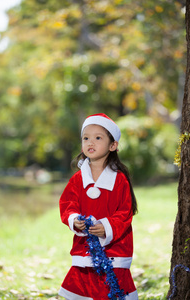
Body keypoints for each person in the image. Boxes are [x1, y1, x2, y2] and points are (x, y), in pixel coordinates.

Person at [58, 113, 138, 300]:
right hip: (84, 247)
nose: (90, 142)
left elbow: (125, 212)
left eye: (98, 138)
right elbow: (67, 205)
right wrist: (74, 219)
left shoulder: (119, 180)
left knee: (112, 289)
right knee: (84, 289)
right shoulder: (78, 179)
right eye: (86, 138)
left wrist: (107, 227)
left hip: (115, 248)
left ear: (113, 145)